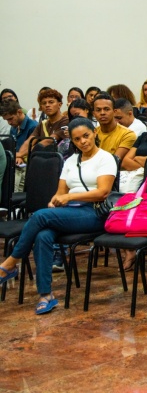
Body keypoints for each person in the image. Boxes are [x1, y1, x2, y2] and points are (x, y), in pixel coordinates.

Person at [0, 118, 117, 314]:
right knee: (42, 235)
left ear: (95, 133)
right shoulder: (71, 160)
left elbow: (103, 192)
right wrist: (54, 201)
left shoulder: (105, 158)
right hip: (69, 211)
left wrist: (69, 197)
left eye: (86, 136)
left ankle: (11, 263)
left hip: (94, 213)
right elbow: (60, 191)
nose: (83, 142)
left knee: (39, 217)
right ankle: (46, 295)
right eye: (77, 139)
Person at [17, 88, 68, 165]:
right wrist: (19, 155)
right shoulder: (43, 123)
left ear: (59, 105)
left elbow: (49, 140)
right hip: (42, 162)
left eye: (51, 102)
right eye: (44, 103)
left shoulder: (66, 121)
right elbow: (29, 141)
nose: (47, 105)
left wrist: (21, 154)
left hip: (59, 163)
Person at [0, 99, 38, 191]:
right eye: (6, 120)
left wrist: (21, 155)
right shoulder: (13, 128)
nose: (9, 122)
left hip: (27, 166)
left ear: (19, 112)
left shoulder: (33, 126)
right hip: (15, 163)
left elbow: (34, 148)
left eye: (10, 118)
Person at [92, 93, 136, 162]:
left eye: (106, 109)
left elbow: (114, 161)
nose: (102, 113)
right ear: (94, 114)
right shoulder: (92, 133)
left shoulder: (128, 134)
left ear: (114, 111)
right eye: (98, 110)